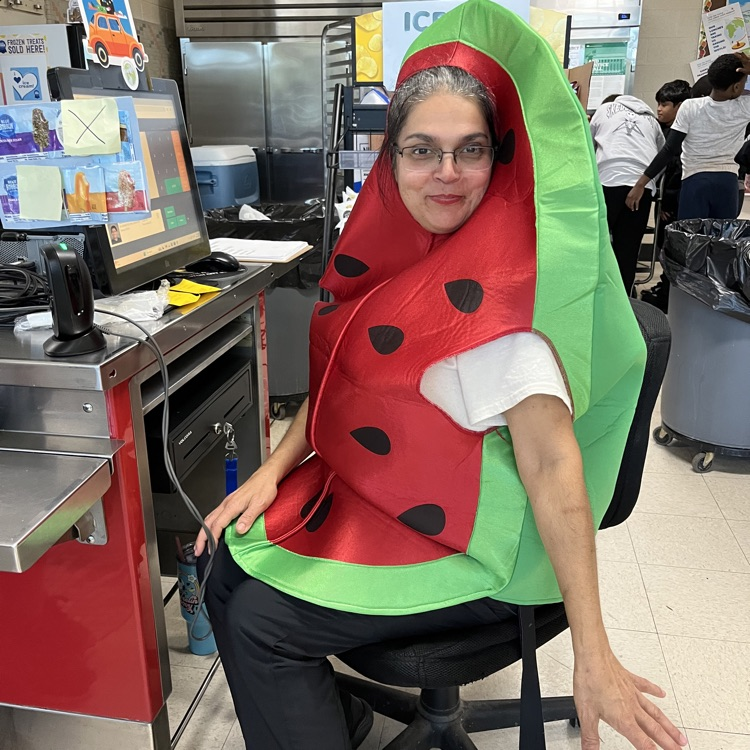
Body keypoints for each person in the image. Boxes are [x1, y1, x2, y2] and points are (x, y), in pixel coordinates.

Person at [195, 2, 687, 749]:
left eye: (471, 150)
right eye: (423, 150)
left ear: (501, 158)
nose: (448, 174)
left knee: (262, 622)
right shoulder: (398, 258)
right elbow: (343, 386)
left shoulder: (515, 307)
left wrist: (595, 652)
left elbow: (554, 468)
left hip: (487, 548)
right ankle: (338, 720)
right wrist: (273, 470)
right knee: (224, 566)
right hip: (395, 499)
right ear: (389, 160)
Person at [626, 53, 750, 220]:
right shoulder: (745, 107)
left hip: (694, 181)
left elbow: (669, 149)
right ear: (736, 87)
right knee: (722, 242)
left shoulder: (690, 106)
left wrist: (640, 183)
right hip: (727, 183)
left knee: (691, 242)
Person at [589, 94, 665, 293]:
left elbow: (586, 147)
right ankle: (625, 303)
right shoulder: (652, 121)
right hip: (642, 186)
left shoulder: (604, 110)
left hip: (607, 181)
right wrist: (648, 185)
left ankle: (596, 296)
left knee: (597, 247)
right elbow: (661, 157)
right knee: (628, 252)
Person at [641, 79, 692, 312]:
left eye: (665, 104)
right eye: (658, 104)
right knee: (664, 246)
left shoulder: (680, 133)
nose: (659, 109)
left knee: (670, 247)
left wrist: (668, 202)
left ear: (680, 106)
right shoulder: (662, 128)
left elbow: (677, 169)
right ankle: (664, 289)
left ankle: (667, 296)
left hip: (673, 201)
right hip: (663, 197)